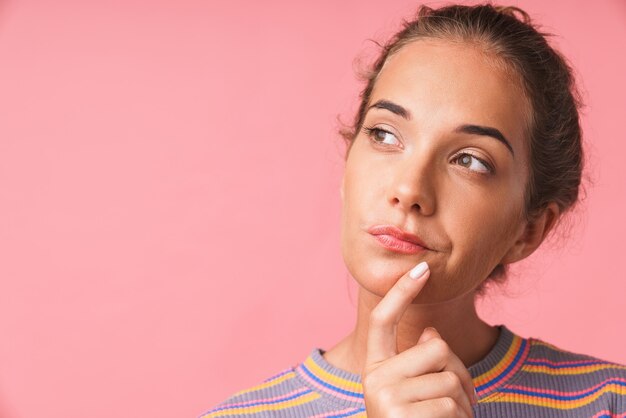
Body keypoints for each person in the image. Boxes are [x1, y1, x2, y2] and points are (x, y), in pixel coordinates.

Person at [199, 3, 626, 417]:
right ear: (348, 167)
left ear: (528, 230)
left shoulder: (610, 402)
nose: (409, 189)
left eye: (471, 160)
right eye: (384, 135)